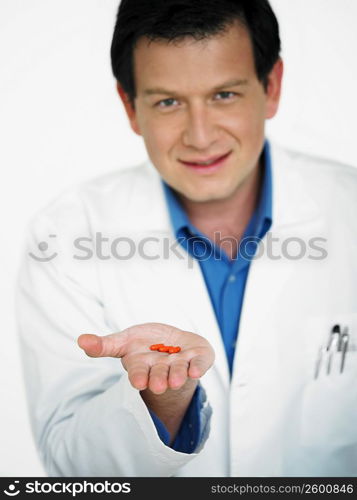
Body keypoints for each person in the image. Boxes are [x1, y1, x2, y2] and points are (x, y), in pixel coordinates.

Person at [16, 0, 357, 477]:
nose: (199, 136)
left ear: (271, 87)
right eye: (168, 102)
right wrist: (162, 402)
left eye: (224, 95)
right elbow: (72, 465)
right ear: (131, 108)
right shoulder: (65, 238)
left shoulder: (350, 211)